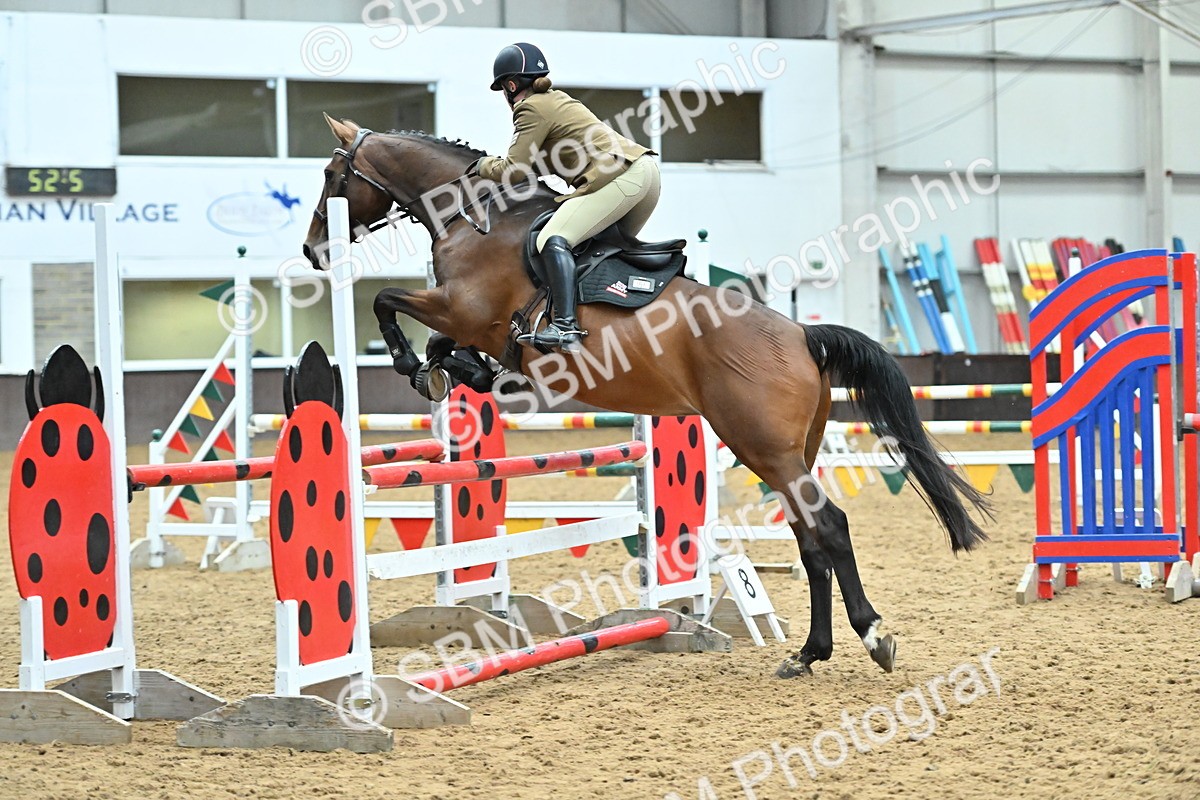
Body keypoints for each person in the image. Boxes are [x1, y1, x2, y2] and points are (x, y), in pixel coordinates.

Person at [470, 42, 661, 353]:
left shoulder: (529, 107)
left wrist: (482, 166)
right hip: (645, 175)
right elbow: (542, 166)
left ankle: (565, 328)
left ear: (511, 84)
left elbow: (515, 170)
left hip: (623, 178)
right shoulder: (557, 101)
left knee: (553, 239)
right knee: (594, 252)